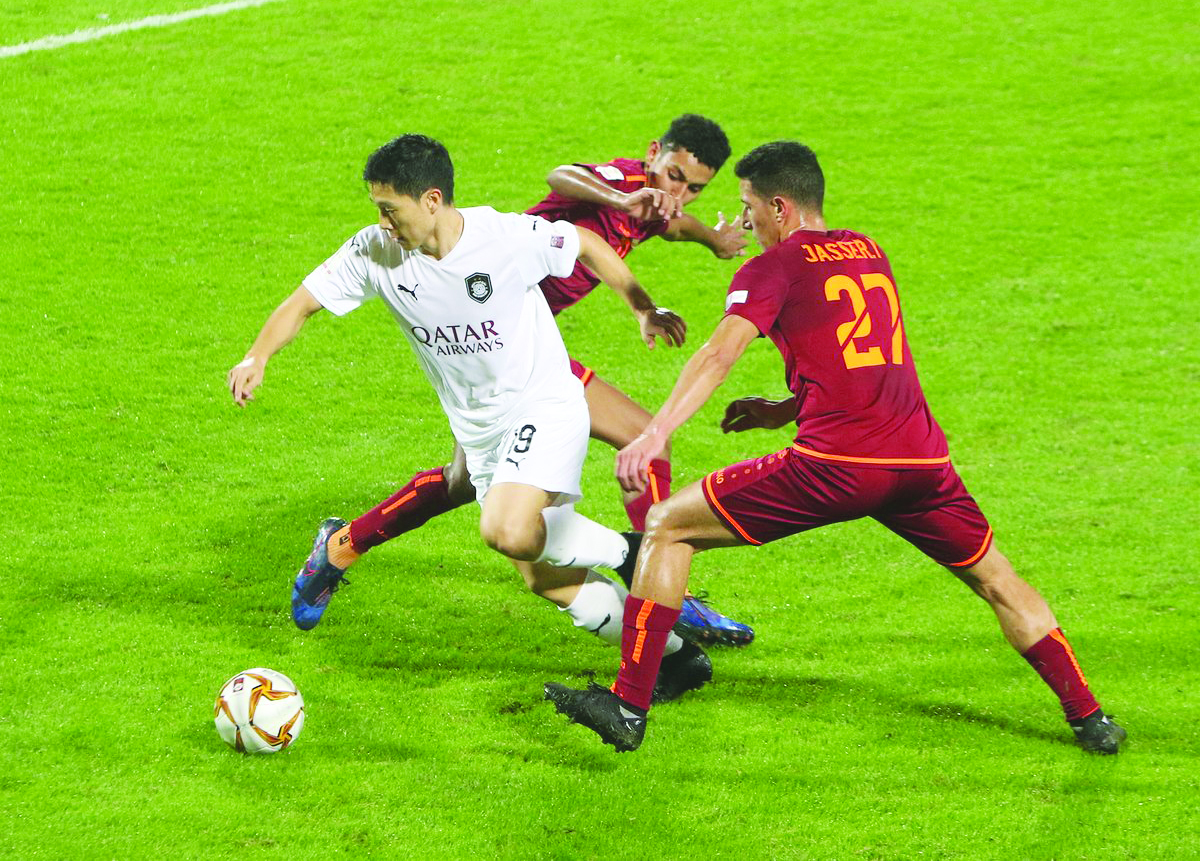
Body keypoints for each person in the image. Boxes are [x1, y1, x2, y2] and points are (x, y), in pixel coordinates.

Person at [544, 140, 1127, 754]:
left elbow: (718, 355)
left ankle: (627, 705)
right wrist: (784, 408)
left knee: (666, 526)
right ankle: (1090, 718)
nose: (745, 221)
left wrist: (655, 432)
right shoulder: (868, 251)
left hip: (836, 467)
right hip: (922, 464)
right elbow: (864, 357)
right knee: (998, 580)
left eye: (748, 207)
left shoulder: (771, 268)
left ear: (779, 206)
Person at [228, 134, 711, 703]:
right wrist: (257, 356)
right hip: (480, 430)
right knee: (544, 576)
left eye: (390, 209)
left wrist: (643, 307)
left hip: (543, 405)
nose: (382, 222)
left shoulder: (502, 238)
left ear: (431, 200)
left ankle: (633, 553)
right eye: (377, 209)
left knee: (505, 530)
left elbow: (584, 242)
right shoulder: (375, 251)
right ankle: (676, 659)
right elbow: (302, 303)